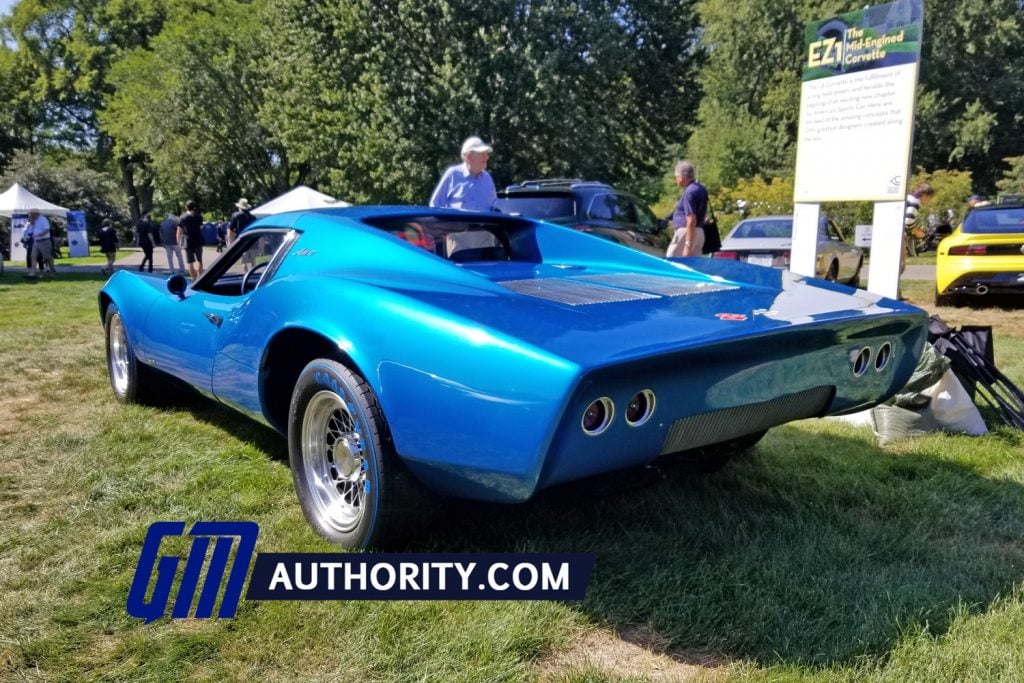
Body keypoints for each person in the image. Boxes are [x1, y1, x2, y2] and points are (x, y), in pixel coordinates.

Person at [429, 136, 497, 212]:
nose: (487, 157)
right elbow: (435, 204)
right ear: (469, 157)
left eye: (487, 154)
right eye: (482, 154)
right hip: (457, 224)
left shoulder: (487, 179)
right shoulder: (453, 174)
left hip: (485, 224)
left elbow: (495, 207)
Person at [665, 160, 708, 258]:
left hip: (686, 233)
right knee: (692, 267)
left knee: (673, 265)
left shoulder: (690, 192)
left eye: (676, 177)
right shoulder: (700, 188)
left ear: (680, 177)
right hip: (699, 231)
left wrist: (688, 245)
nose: (676, 180)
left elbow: (691, 219)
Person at [903, 182, 934, 266]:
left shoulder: (909, 197)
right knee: (901, 265)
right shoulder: (915, 202)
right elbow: (908, 220)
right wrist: (917, 232)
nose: (929, 200)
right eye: (929, 197)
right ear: (923, 194)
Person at [177, 200, 205, 279]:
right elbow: (201, 227)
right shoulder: (199, 216)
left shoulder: (183, 217)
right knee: (200, 261)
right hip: (198, 240)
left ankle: (194, 280)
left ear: (186, 207)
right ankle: (200, 278)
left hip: (188, 241)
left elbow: (179, 230)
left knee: (190, 263)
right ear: (194, 207)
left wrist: (178, 241)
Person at [25, 208, 56, 278]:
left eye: (31, 214)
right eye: (30, 214)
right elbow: (32, 229)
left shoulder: (43, 219)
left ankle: (52, 270)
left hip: (44, 240)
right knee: (33, 256)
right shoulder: (34, 220)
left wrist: (39, 234)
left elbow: (47, 229)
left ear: (36, 214)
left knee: (47, 258)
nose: (30, 215)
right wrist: (31, 222)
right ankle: (33, 272)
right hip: (36, 241)